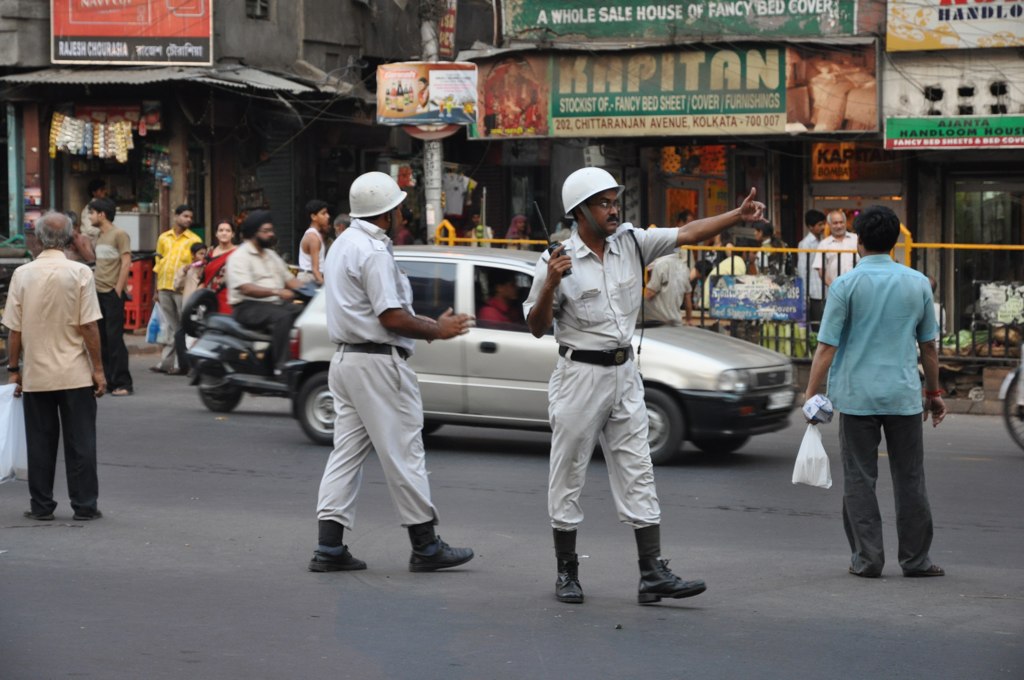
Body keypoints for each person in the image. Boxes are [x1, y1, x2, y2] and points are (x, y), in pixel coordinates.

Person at [524, 167, 765, 605]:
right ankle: (566, 573)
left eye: (616, 201)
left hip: (625, 374)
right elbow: (537, 327)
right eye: (604, 203)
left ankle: (652, 572)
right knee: (568, 472)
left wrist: (736, 215)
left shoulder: (633, 242)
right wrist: (551, 285)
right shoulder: (555, 260)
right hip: (579, 376)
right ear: (580, 211)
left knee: (639, 469)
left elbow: (689, 232)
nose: (614, 210)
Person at [309, 171, 475, 574]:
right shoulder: (372, 251)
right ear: (388, 212)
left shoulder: (343, 243)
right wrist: (438, 329)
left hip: (347, 362)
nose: (404, 212)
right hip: (377, 364)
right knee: (405, 452)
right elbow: (391, 316)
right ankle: (425, 544)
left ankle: (329, 547)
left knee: (345, 455)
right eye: (400, 206)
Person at [803, 205, 947, 579]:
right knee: (910, 478)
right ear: (896, 241)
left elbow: (826, 348)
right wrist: (933, 393)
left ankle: (867, 560)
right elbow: (929, 348)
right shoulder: (917, 283)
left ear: (859, 241)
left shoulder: (845, 286)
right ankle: (916, 560)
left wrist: (809, 395)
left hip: (855, 398)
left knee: (860, 478)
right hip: (902, 396)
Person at [2, 211, 106, 522]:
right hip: (74, 373)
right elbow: (89, 326)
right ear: (70, 237)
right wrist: (98, 369)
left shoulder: (23, 274)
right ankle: (85, 506)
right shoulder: (80, 273)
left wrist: (13, 369)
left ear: (38, 237)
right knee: (81, 443)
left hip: (37, 374)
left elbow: (14, 330)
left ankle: (41, 505)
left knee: (40, 442)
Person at [226, 210, 304, 376]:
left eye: (271, 230)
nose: (271, 234)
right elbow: (246, 288)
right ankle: (282, 368)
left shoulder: (271, 255)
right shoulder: (239, 256)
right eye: (266, 231)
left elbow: (290, 280)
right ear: (254, 233)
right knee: (282, 317)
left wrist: (312, 288)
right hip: (247, 307)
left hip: (273, 304)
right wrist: (277, 291)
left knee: (305, 312)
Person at [88, 197, 134, 396]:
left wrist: (118, 289)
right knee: (101, 339)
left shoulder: (120, 234)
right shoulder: (99, 236)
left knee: (115, 339)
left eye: (92, 212)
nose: (90, 216)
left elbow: (126, 263)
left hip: (112, 294)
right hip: (97, 293)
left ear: (102, 214)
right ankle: (106, 380)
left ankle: (123, 383)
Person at [153, 204, 201, 374]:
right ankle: (167, 363)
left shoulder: (194, 240)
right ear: (176, 216)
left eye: (190, 217)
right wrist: (156, 290)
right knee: (171, 327)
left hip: (182, 289)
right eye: (185, 216)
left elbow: (197, 265)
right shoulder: (163, 238)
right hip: (164, 286)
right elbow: (158, 264)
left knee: (184, 327)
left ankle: (184, 364)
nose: (188, 220)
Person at [812, 209, 859, 299]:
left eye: (841, 222)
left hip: (856, 291)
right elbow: (821, 270)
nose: (839, 226)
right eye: (835, 223)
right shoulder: (824, 244)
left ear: (845, 223)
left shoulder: (856, 239)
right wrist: (834, 286)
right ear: (829, 225)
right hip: (834, 293)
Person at [644, 248, 693, 326]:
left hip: (657, 321)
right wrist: (689, 319)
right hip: (676, 321)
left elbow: (650, 293)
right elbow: (688, 300)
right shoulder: (684, 268)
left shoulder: (660, 265)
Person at [202, 219, 238, 314]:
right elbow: (202, 277)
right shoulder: (209, 252)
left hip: (230, 298)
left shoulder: (238, 253)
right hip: (209, 298)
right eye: (221, 230)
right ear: (216, 234)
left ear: (233, 234)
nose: (224, 233)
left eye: (228, 230)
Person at [798, 210, 827, 325]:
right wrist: (805, 292)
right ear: (810, 227)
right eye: (819, 224)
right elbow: (802, 269)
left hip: (823, 289)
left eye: (823, 224)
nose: (823, 227)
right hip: (814, 290)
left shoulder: (823, 241)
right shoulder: (805, 244)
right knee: (817, 323)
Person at [298, 199, 331, 285]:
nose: (327, 216)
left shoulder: (315, 235)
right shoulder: (313, 238)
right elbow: (315, 270)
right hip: (309, 279)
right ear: (313, 217)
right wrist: (325, 288)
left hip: (311, 278)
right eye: (323, 213)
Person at [80, 179, 107, 247]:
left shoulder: (104, 205)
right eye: (101, 190)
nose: (104, 192)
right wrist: (104, 231)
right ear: (94, 193)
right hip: (89, 243)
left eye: (104, 189)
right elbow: (89, 229)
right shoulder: (89, 208)